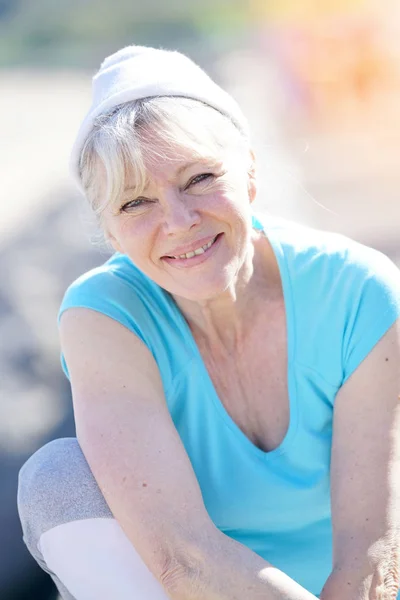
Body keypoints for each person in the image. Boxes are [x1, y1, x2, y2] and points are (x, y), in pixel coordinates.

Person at [17, 45, 400, 600]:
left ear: (249, 170)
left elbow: (374, 554)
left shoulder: (358, 288)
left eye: (198, 179)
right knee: (55, 479)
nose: (178, 222)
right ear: (108, 229)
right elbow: (183, 560)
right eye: (135, 203)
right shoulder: (103, 316)